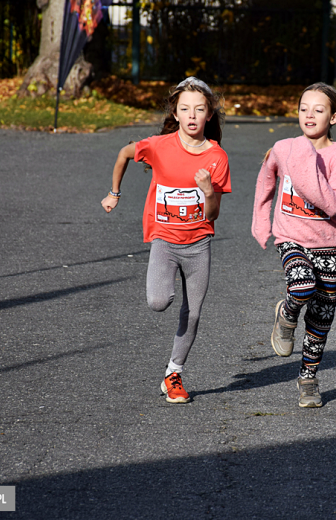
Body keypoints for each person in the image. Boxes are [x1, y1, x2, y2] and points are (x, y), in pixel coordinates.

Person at [100, 77, 231, 404]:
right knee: (159, 301)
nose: (191, 115)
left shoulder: (217, 158)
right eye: (185, 108)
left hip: (199, 244)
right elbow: (124, 153)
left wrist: (208, 191)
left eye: (199, 109)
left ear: (209, 115)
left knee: (194, 313)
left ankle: (174, 374)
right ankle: (172, 368)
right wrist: (114, 193)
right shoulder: (160, 146)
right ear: (175, 111)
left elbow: (213, 214)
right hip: (164, 240)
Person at [252, 83, 336, 408]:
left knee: (322, 317)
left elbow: (332, 204)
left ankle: (308, 377)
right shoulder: (285, 147)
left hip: (327, 244)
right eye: (304, 108)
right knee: (302, 284)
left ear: (334, 116)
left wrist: (307, 159)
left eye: (319, 110)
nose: (309, 114)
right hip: (290, 236)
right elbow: (266, 179)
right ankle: (287, 313)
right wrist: (261, 221)